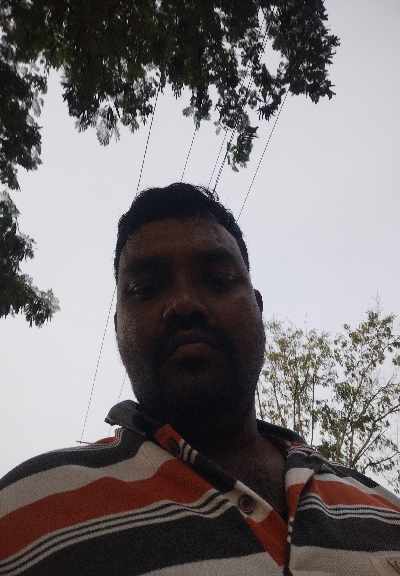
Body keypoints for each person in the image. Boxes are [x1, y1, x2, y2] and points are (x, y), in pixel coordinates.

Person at [1, 183, 399, 576]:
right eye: (145, 288)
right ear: (119, 327)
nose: (184, 304)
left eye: (218, 279)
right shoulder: (23, 515)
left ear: (258, 308)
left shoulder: (387, 512)